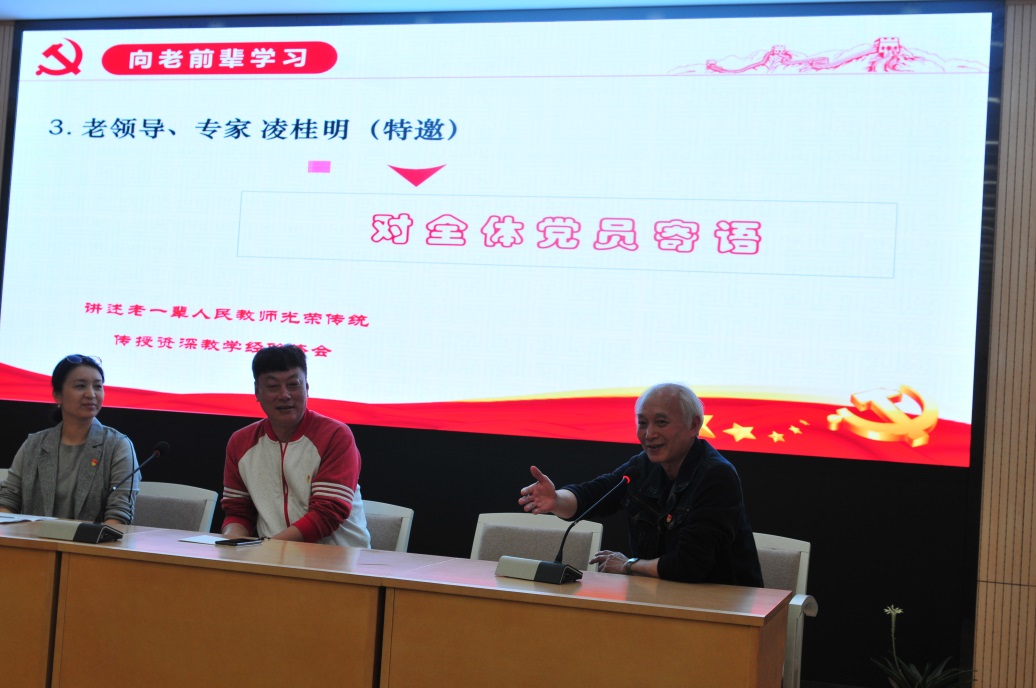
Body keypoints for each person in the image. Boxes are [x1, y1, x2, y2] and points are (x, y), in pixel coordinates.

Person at [520, 382, 763, 586]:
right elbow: (594, 495)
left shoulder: (716, 475)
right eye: (643, 423)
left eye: (661, 422)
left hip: (722, 608)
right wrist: (556, 500)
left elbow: (689, 566)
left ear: (693, 424)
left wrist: (628, 565)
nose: (649, 434)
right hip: (661, 597)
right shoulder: (643, 465)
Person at [221, 344, 370, 546]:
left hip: (338, 559)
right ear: (257, 392)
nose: (284, 395)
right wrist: (230, 543)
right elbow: (239, 512)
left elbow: (326, 514)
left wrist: (266, 548)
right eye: (273, 386)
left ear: (306, 388)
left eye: (293, 384)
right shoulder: (241, 442)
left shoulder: (335, 435)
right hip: (269, 558)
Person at [0, 355, 139, 524]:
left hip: (92, 541)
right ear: (58, 395)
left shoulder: (118, 446)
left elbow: (119, 516)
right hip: (34, 539)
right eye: (80, 386)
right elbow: (8, 501)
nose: (91, 394)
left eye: (97, 386)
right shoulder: (34, 444)